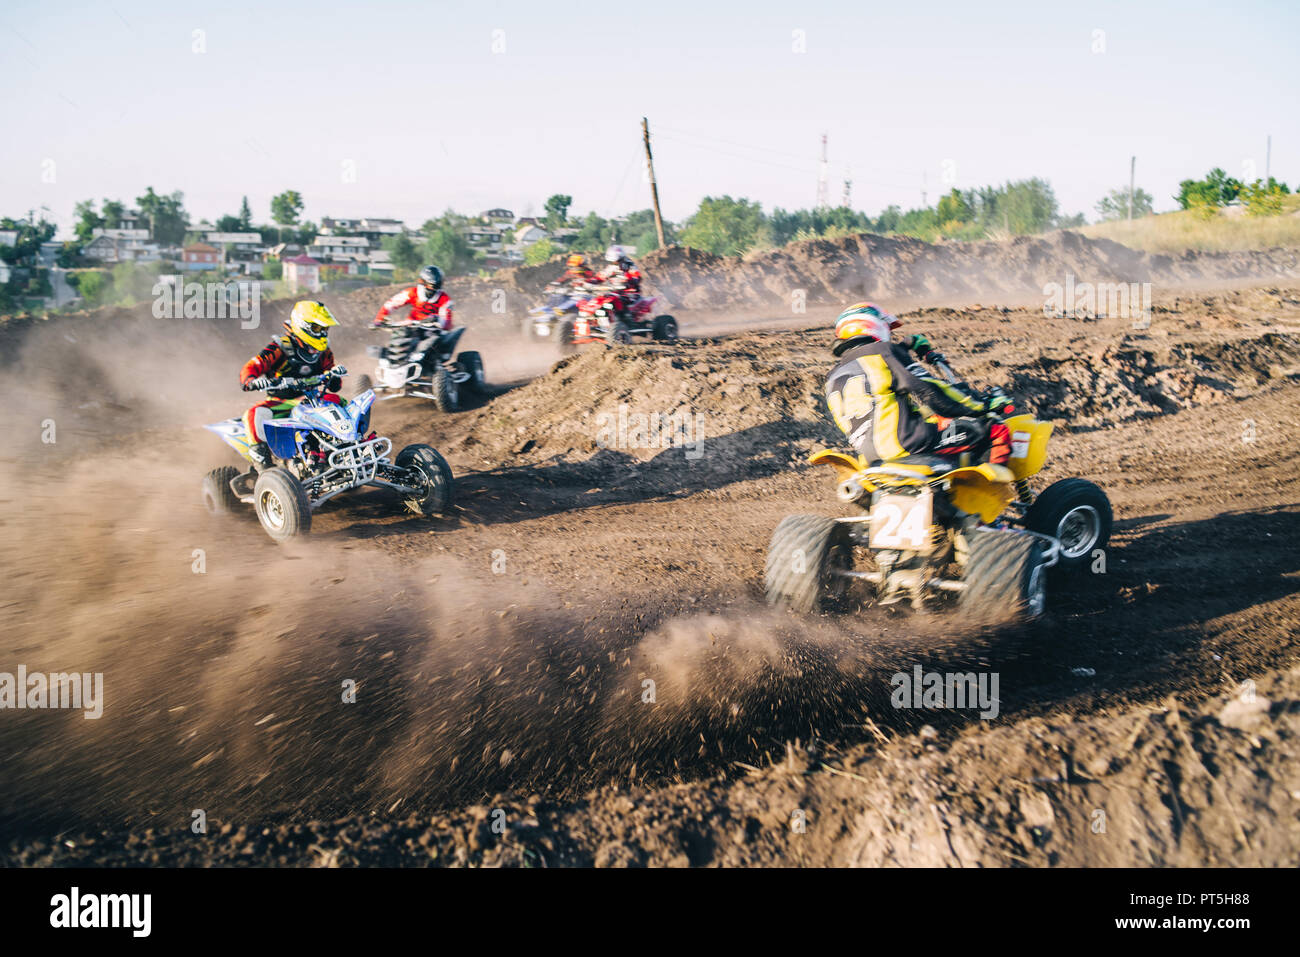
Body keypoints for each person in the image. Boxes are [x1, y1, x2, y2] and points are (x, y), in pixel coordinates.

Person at [825, 302, 1012, 466]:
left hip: (870, 458)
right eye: (888, 329)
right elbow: (930, 390)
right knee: (994, 428)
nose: (890, 334)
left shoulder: (833, 375)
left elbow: (879, 403)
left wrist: (906, 347)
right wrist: (981, 404)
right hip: (908, 442)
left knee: (934, 421)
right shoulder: (883, 351)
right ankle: (995, 497)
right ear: (875, 325)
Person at [241, 300, 345, 467]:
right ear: (303, 325)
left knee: (340, 402)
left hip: (312, 399)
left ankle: (350, 448)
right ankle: (265, 469)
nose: (323, 333)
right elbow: (252, 366)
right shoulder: (280, 347)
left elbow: (335, 384)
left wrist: (333, 376)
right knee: (253, 414)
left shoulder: (323, 351)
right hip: (281, 403)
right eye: (318, 328)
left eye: (325, 329)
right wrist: (252, 380)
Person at [373, 264, 453, 329]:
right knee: (398, 336)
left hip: (434, 329)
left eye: (437, 285)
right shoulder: (412, 292)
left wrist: (436, 319)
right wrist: (380, 318)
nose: (433, 288)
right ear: (423, 282)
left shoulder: (444, 299)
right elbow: (391, 304)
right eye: (431, 285)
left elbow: (447, 322)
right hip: (411, 325)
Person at [595, 246, 643, 316]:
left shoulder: (629, 265)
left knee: (621, 301)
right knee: (601, 300)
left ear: (620, 258)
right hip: (615, 293)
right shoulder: (612, 266)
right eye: (612, 262)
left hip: (630, 293)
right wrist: (590, 282)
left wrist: (628, 282)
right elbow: (601, 276)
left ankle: (625, 319)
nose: (614, 263)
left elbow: (636, 277)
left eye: (615, 261)